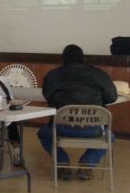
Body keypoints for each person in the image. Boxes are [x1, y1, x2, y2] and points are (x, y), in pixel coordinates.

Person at [37, 44, 117, 180]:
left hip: (62, 128)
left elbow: (48, 96)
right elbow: (112, 97)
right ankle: (87, 165)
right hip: (93, 129)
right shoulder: (98, 74)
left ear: (63, 59)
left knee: (43, 133)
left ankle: (62, 164)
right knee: (109, 137)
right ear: (83, 58)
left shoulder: (53, 75)